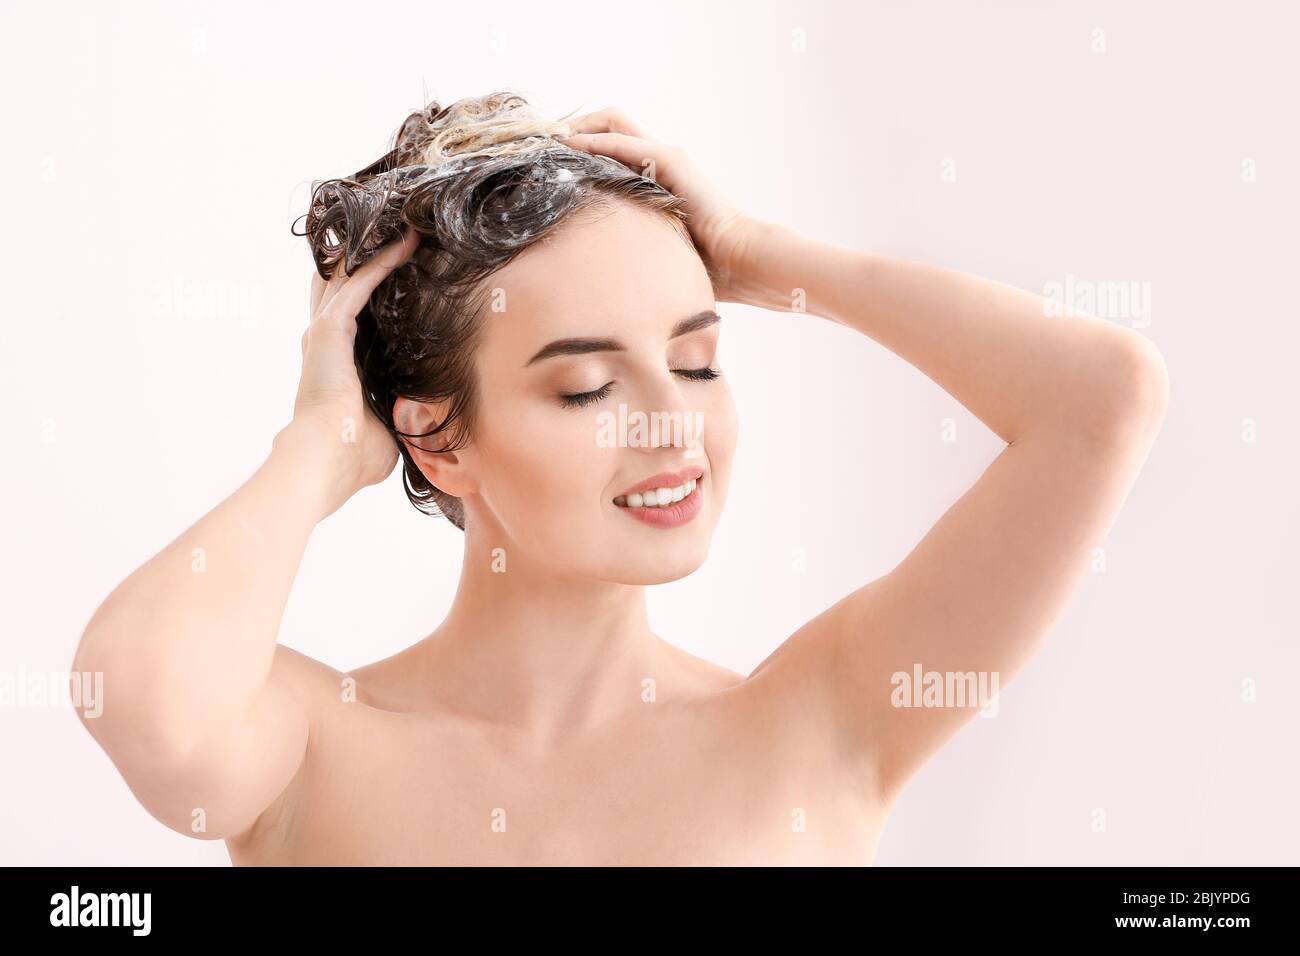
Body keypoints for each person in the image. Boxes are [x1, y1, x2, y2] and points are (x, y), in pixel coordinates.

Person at [71, 92, 1169, 865]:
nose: (670, 420)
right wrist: (318, 444)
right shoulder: (316, 744)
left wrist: (757, 252)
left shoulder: (822, 719)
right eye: (588, 386)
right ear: (438, 438)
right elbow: (134, 694)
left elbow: (1101, 397)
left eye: (696, 359)